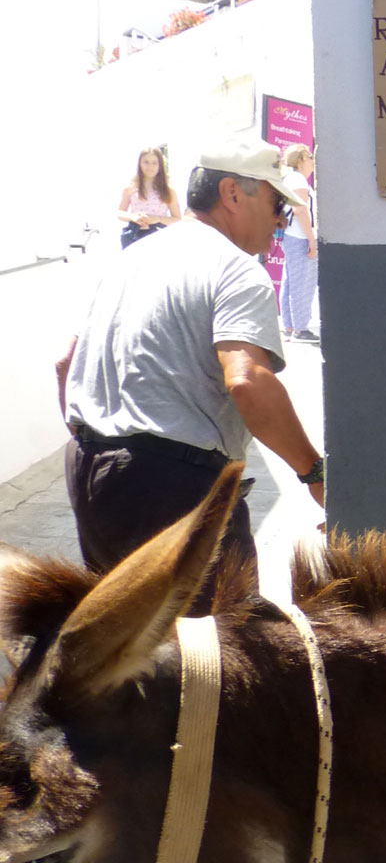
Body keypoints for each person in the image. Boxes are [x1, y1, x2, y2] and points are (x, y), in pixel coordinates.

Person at [56, 137, 327, 583]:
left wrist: (103, 446)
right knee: (218, 644)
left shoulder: (134, 256)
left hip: (90, 469)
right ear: (233, 194)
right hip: (174, 486)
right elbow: (246, 380)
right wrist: (313, 471)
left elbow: (66, 363)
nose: (281, 219)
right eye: (276, 201)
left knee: (129, 641)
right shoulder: (237, 269)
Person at [279, 144, 320, 341]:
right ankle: (300, 329)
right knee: (302, 282)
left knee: (291, 280)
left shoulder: (290, 178)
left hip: (291, 236)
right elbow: (300, 210)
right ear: (300, 160)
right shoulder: (298, 180)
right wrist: (312, 240)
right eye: (309, 156)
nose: (313, 160)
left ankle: (290, 325)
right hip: (300, 236)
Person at [115, 147, 181, 249]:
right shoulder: (130, 188)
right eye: (146, 162)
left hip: (159, 236)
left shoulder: (169, 191)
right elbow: (120, 213)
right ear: (139, 163)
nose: (150, 166)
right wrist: (133, 217)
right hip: (135, 235)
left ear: (160, 165)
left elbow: (177, 219)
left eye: (155, 163)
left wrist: (158, 219)